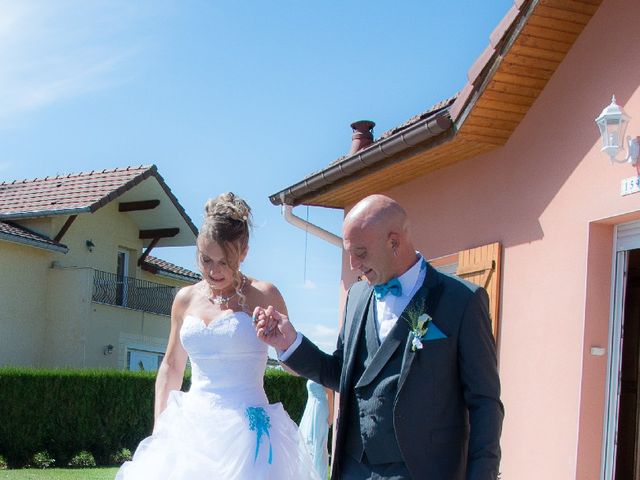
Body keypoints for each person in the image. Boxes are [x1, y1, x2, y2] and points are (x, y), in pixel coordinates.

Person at [254, 194, 504, 480]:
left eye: (360, 253)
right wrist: (290, 342)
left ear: (394, 242)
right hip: (353, 469)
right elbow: (343, 375)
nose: (352, 265)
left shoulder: (461, 301)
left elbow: (485, 403)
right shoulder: (357, 297)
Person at [116, 193, 320, 480]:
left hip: (248, 434)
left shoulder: (264, 294)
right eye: (206, 259)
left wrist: (283, 340)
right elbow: (172, 365)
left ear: (244, 252)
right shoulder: (185, 299)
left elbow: (288, 365)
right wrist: (160, 428)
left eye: (224, 262)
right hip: (192, 429)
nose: (213, 271)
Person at [298, 380, 333, 479]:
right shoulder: (312, 371)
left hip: (320, 409)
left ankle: (319, 476)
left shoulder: (322, 372)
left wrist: (331, 414)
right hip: (311, 408)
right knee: (308, 442)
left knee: (318, 443)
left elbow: (330, 393)